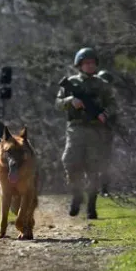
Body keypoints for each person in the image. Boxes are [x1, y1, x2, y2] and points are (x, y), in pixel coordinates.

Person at [55, 47, 116, 219]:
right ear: (79, 65)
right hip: (76, 129)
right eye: (86, 63)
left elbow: (113, 104)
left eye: (92, 63)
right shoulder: (71, 82)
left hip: (96, 130)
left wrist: (105, 114)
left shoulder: (102, 85)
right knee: (70, 162)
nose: (89, 66)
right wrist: (70, 101)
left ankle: (91, 205)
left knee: (93, 168)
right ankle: (76, 194)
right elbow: (58, 103)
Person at [95, 69, 116, 197]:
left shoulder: (109, 99)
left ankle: (104, 188)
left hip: (105, 133)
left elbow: (113, 115)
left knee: (105, 162)